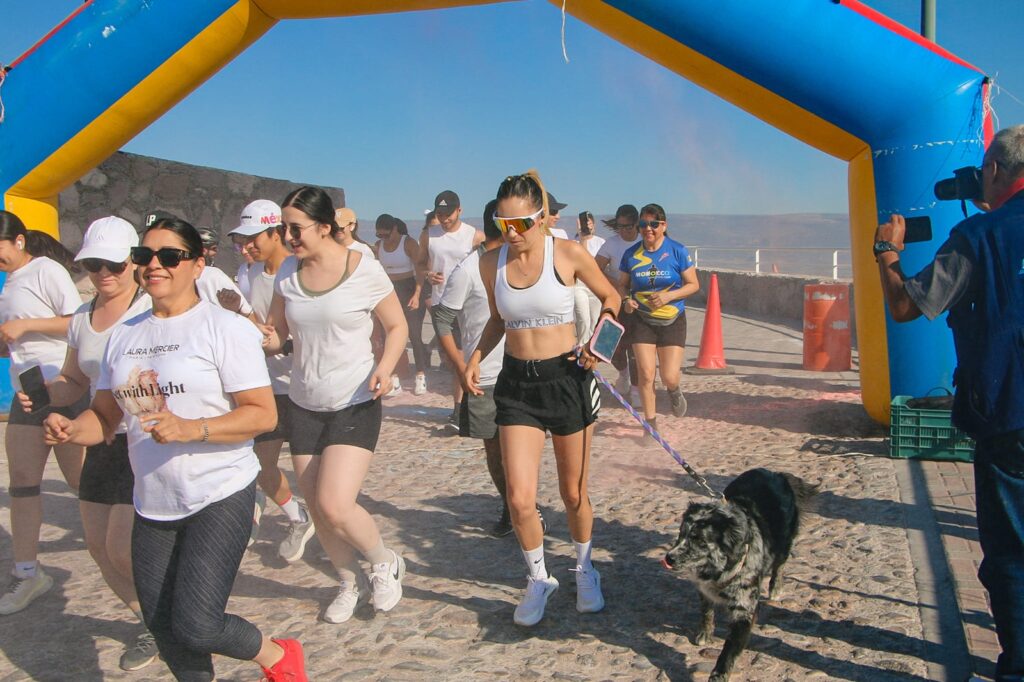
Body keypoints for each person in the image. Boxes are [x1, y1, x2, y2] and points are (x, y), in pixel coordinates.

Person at [43, 217, 306, 681]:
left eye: (170, 256)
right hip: (153, 498)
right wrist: (70, 429)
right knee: (164, 627)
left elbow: (262, 414)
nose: (154, 266)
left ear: (198, 263)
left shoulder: (223, 328)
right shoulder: (123, 336)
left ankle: (277, 655)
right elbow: (104, 416)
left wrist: (192, 428)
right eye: (145, 256)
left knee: (198, 624)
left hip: (219, 490)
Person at [875, 124, 1024, 681]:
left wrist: (886, 251)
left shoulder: (978, 235)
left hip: (1010, 419)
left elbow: (908, 307)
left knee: (1012, 557)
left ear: (994, 172)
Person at [464, 170, 620, 627]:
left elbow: (612, 298)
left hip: (567, 379)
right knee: (518, 498)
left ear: (542, 218)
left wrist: (599, 346)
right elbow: (498, 319)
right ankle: (538, 578)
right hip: (517, 386)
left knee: (573, 494)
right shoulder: (491, 264)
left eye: (521, 224)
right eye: (502, 223)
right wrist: (474, 357)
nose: (511, 233)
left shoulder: (567, 253)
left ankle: (585, 568)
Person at [263, 186, 409, 625]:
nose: (288, 237)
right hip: (304, 402)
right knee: (315, 504)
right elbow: (275, 334)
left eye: (295, 228)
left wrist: (385, 365)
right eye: (283, 228)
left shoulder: (363, 267)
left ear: (324, 227)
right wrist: (262, 338)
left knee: (335, 503)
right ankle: (349, 581)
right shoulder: (287, 273)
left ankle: (384, 562)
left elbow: (398, 325)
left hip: (355, 398)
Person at [16, 216, 157, 669]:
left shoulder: (152, 309)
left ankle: (174, 614)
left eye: (113, 263)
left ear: (133, 262)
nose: (103, 273)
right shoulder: (82, 314)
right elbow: (74, 378)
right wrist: (47, 397)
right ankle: (148, 622)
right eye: (93, 264)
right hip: (101, 438)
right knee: (97, 547)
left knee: (121, 545)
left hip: (146, 442)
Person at [433, 200, 546, 537]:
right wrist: (460, 366)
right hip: (487, 378)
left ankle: (525, 505)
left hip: (528, 371)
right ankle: (510, 506)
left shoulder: (528, 262)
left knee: (523, 449)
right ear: (503, 226)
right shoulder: (470, 268)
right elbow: (442, 319)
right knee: (496, 451)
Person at [0, 210, 87, 616]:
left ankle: (132, 550)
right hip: (26, 393)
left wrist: (25, 326)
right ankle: (28, 571)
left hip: (61, 388)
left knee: (83, 482)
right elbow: (16, 341)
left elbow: (76, 322)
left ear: (18, 241)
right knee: (21, 481)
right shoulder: (10, 283)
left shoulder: (45, 270)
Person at [228, 199, 314, 562]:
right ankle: (298, 518)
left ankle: (333, 535)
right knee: (261, 467)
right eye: (241, 240)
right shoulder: (245, 275)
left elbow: (282, 332)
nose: (246, 246)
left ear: (276, 232)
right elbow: (256, 332)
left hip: (305, 387)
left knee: (311, 475)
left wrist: (252, 324)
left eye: (253, 238)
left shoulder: (300, 271)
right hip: (266, 386)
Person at [618, 203, 698, 428]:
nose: (648, 229)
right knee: (645, 374)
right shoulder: (631, 254)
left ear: (664, 225)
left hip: (672, 318)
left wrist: (668, 297)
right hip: (642, 319)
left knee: (669, 376)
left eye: (654, 224)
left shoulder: (677, 251)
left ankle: (674, 390)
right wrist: (626, 300)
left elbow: (693, 285)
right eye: (643, 224)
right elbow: (621, 285)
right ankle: (650, 425)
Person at [420, 190, 484, 430]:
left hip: (469, 304)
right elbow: (418, 263)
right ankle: (460, 408)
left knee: (468, 354)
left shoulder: (474, 236)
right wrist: (427, 275)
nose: (444, 218)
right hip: (441, 303)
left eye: (448, 213)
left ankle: (462, 410)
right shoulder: (429, 236)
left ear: (460, 210)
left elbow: (487, 263)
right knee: (453, 357)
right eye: (440, 214)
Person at [374, 214, 426, 396]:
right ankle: (393, 378)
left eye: (386, 235)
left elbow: (420, 269)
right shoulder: (378, 247)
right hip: (389, 292)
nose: (383, 239)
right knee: (387, 335)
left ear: (395, 229)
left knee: (414, 334)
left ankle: (420, 375)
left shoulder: (408, 243)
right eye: (379, 236)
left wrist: (418, 294)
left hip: (409, 290)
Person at [596, 205, 641, 398]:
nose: (623, 231)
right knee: (608, 344)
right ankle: (623, 374)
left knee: (637, 346)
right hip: (616, 299)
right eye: (619, 227)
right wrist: (615, 284)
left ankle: (638, 389)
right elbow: (595, 269)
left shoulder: (644, 241)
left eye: (628, 227)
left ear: (637, 224)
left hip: (640, 302)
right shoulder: (610, 244)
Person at [573, 211, 606, 343]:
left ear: (594, 224)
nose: (588, 226)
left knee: (594, 320)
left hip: (595, 285)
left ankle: (590, 350)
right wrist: (583, 240)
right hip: (579, 285)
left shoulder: (601, 242)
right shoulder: (573, 242)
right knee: (583, 319)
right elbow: (582, 262)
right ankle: (580, 348)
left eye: (590, 223)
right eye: (585, 224)